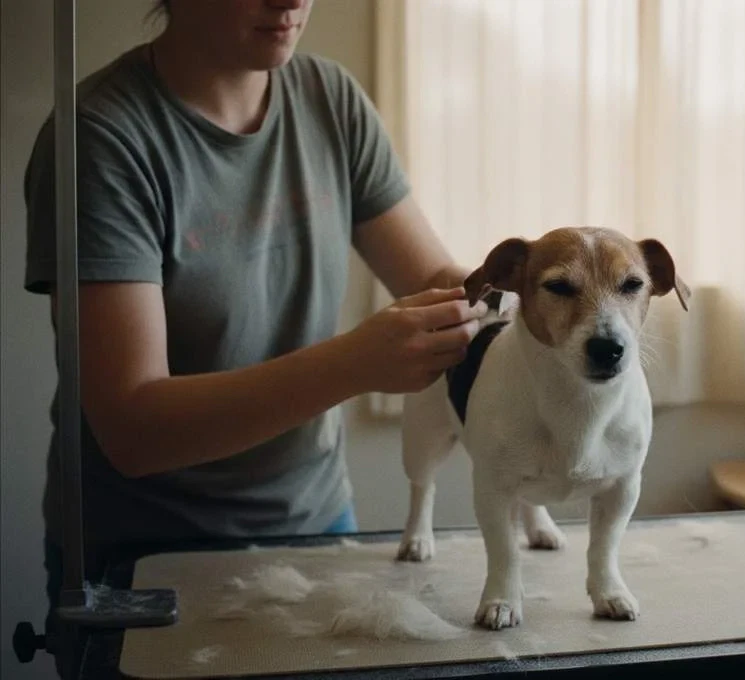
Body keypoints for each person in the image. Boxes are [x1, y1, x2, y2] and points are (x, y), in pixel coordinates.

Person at [22, 0, 484, 663]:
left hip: (317, 527)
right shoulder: (99, 138)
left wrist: (533, 293)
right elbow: (131, 427)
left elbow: (434, 277)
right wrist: (355, 365)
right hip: (145, 558)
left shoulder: (330, 98)